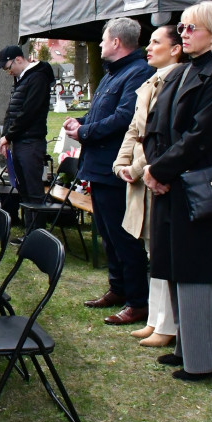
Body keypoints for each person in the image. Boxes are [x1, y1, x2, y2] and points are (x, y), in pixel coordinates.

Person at [143, 0, 212, 381]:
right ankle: (190, 347)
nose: (183, 33)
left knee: (198, 269)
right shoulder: (185, 70)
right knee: (177, 266)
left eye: (191, 28)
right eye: (181, 27)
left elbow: (202, 133)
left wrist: (160, 169)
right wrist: (155, 168)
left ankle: (205, 359)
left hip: (199, 184)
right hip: (174, 183)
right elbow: (159, 125)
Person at [64, 17, 154, 325]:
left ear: (116, 42)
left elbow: (124, 118)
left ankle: (138, 301)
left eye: (104, 39)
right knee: (107, 233)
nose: (100, 44)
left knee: (123, 236)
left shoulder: (138, 72)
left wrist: (85, 133)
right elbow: (99, 111)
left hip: (117, 168)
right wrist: (81, 123)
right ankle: (118, 288)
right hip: (99, 166)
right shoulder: (113, 73)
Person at [113, 25, 183, 348]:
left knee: (162, 253)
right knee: (148, 249)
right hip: (140, 177)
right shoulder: (149, 83)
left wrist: (138, 167)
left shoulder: (178, 81)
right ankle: (155, 319)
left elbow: (161, 135)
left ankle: (167, 324)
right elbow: (133, 130)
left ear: (176, 49)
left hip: (157, 176)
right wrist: (120, 163)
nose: (148, 47)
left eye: (157, 42)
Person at [0, 45, 55, 234]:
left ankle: (37, 234)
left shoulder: (38, 78)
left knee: (34, 191)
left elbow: (28, 113)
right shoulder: (22, 79)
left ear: (18, 59)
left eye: (7, 67)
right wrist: (5, 137)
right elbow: (11, 111)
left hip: (31, 142)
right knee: (24, 190)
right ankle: (29, 232)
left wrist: (8, 135)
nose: (8, 72)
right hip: (20, 141)